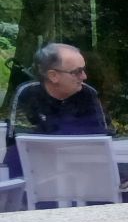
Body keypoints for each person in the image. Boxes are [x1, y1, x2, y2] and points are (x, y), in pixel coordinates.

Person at [4, 42, 112, 178]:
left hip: (82, 172)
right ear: (53, 76)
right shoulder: (28, 94)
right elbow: (21, 143)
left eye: (84, 70)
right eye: (77, 72)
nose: (84, 76)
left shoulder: (88, 95)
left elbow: (101, 139)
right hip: (34, 175)